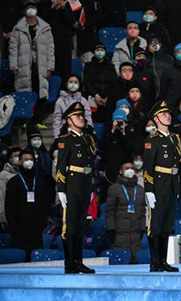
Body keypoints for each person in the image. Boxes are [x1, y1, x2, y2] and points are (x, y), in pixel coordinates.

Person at [55, 102, 97, 274]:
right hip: (72, 184)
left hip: (85, 183)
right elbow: (61, 166)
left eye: (82, 115)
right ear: (69, 120)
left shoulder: (87, 138)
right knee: (69, 226)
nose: (81, 118)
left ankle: (79, 261)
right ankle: (69, 262)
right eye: (77, 116)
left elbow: (91, 163)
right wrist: (61, 188)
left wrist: (91, 184)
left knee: (80, 225)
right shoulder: (66, 140)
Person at [143, 100, 181, 273]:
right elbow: (148, 167)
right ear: (156, 118)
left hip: (171, 184)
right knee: (155, 225)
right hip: (158, 185)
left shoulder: (174, 138)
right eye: (164, 114)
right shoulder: (152, 140)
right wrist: (149, 190)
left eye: (169, 113)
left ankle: (163, 261)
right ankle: (155, 261)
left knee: (166, 225)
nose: (168, 116)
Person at [4, 149, 50, 261]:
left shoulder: (40, 180)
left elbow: (46, 202)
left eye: (30, 159)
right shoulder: (14, 182)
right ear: (20, 161)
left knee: (37, 255)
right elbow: (9, 206)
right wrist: (13, 225)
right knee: (21, 256)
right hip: (20, 228)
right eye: (25, 159)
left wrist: (43, 221)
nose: (28, 162)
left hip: (36, 226)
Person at [9, 0, 54, 109]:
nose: (31, 9)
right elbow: (13, 48)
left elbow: (50, 48)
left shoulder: (45, 28)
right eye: (28, 7)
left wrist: (50, 66)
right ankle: (25, 121)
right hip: (24, 65)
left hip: (41, 64)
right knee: (25, 92)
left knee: (40, 91)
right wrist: (13, 66)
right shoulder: (18, 28)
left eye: (33, 7)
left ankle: (37, 120)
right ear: (24, 10)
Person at [106, 162, 146, 263]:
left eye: (132, 168)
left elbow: (143, 212)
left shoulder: (140, 190)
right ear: (121, 171)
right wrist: (111, 229)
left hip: (136, 234)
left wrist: (142, 228)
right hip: (120, 233)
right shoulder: (114, 189)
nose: (130, 170)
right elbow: (109, 211)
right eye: (127, 168)